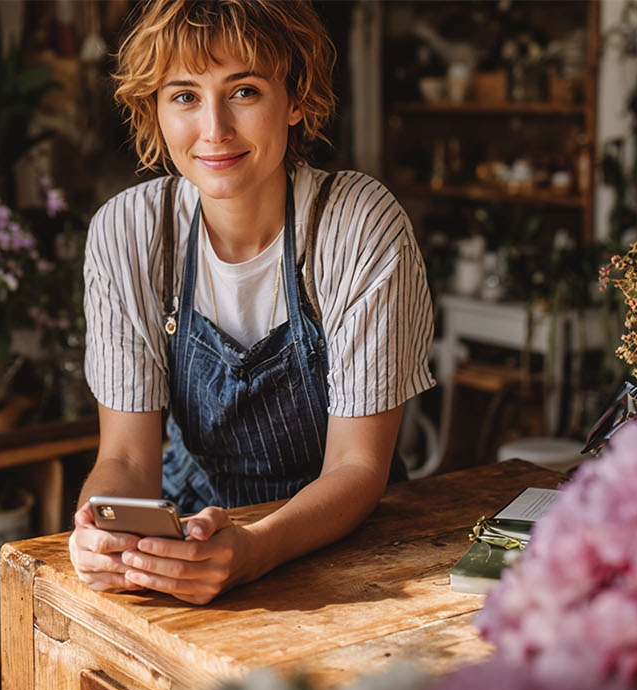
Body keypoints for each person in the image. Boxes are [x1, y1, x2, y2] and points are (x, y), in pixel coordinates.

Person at [72, 0, 434, 605]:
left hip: (346, 548)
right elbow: (129, 458)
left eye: (243, 91)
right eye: (184, 95)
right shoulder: (130, 232)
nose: (214, 129)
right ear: (153, 111)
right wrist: (102, 528)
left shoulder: (356, 224)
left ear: (295, 99)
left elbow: (357, 468)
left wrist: (256, 548)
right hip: (191, 542)